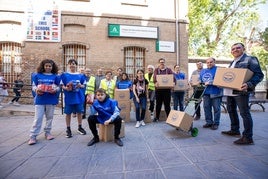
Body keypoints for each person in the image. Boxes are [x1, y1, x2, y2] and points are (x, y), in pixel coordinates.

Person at [221, 42, 264, 145]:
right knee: (231, 110)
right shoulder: (232, 63)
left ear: (243, 49)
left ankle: (248, 137)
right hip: (229, 91)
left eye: (237, 48)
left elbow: (259, 75)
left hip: (241, 91)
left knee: (244, 113)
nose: (235, 50)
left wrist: (249, 84)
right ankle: (235, 130)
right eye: (233, 49)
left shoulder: (250, 59)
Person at [28, 59, 60, 145]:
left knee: (49, 117)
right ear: (43, 66)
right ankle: (33, 135)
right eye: (46, 66)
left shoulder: (55, 76)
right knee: (38, 118)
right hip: (40, 99)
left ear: (52, 67)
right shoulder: (37, 75)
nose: (48, 67)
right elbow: (33, 86)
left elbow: (58, 87)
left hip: (51, 99)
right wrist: (37, 90)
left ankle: (48, 132)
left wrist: (55, 90)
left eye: (50, 66)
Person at [60, 59, 87, 138]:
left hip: (78, 97)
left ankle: (80, 127)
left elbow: (84, 85)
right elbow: (62, 85)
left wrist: (80, 86)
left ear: (76, 65)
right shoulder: (65, 75)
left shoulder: (80, 75)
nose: (72, 65)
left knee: (79, 112)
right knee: (68, 113)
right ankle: (68, 129)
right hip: (69, 97)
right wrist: (66, 88)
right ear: (68, 65)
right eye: (70, 64)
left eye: (74, 64)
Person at [200, 57, 223, 130]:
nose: (209, 64)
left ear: (214, 62)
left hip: (216, 92)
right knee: (206, 108)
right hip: (206, 92)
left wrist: (210, 82)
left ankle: (216, 123)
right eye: (207, 62)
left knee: (216, 108)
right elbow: (201, 80)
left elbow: (221, 80)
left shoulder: (219, 70)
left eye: (211, 62)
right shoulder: (203, 71)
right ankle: (209, 122)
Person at [153, 58, 174, 122]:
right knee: (158, 104)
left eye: (163, 62)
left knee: (167, 105)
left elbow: (173, 77)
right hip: (159, 90)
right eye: (161, 62)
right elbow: (154, 78)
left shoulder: (169, 70)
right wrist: (155, 82)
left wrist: (173, 82)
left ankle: (169, 118)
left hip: (167, 90)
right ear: (159, 63)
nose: (162, 63)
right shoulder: (156, 70)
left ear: (165, 63)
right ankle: (157, 117)